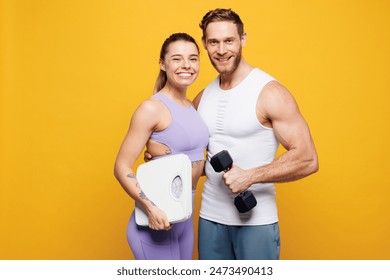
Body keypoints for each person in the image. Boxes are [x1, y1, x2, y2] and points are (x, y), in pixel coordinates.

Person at [145, 8, 318, 260]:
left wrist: (251, 176)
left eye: (229, 41)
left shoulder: (269, 92)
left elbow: (308, 158)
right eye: (214, 42)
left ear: (243, 39)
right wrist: (166, 160)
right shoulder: (202, 97)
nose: (222, 50)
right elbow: (201, 162)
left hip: (256, 223)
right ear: (205, 44)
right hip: (209, 220)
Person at [114, 33, 209, 260]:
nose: (186, 65)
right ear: (163, 64)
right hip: (157, 219)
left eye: (193, 58)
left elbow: (191, 161)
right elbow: (121, 166)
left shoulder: (191, 107)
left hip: (184, 215)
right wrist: (149, 207)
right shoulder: (152, 108)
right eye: (177, 59)